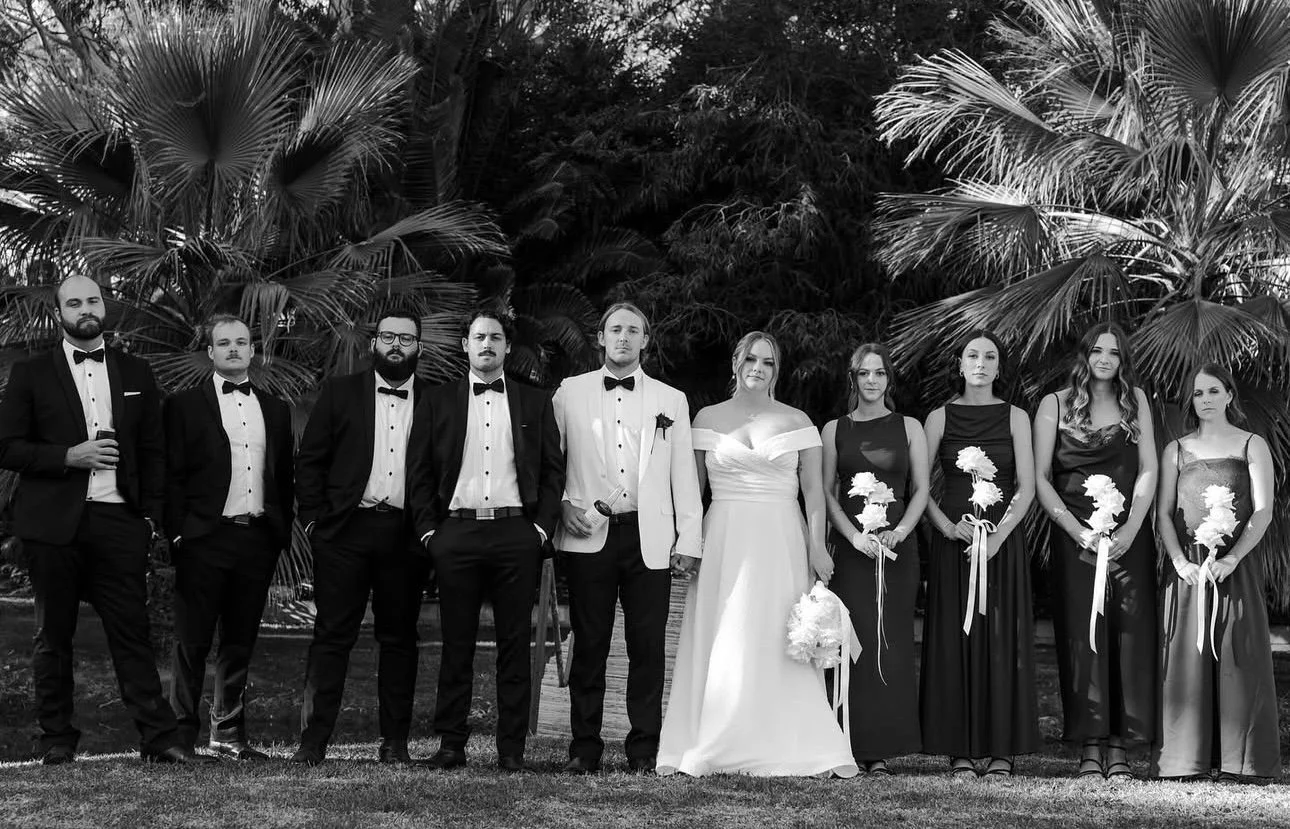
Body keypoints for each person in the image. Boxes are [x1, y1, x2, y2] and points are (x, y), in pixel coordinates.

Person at [0, 274, 214, 765]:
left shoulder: (136, 371)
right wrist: (67, 456)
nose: (85, 309)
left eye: (92, 300)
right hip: (53, 524)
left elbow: (154, 450)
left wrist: (150, 518)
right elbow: (6, 446)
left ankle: (159, 739)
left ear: (104, 306)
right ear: (60, 314)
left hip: (120, 521)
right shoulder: (33, 374)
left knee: (130, 631)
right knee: (52, 635)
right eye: (73, 303)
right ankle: (55, 738)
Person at [657, 331, 858, 778]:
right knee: (722, 632)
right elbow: (692, 493)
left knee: (774, 635)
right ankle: (710, 735)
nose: (758, 369)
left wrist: (817, 549)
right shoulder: (707, 417)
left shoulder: (797, 420)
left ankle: (788, 738)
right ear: (735, 362)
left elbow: (814, 495)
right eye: (751, 359)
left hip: (780, 538)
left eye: (768, 363)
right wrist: (685, 545)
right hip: (724, 538)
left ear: (776, 370)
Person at [407, 309, 563, 772]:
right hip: (456, 532)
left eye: (496, 337)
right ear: (465, 345)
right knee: (456, 641)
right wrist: (430, 533)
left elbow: (554, 471)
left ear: (507, 347)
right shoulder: (436, 401)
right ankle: (451, 743)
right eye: (479, 337)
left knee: (515, 643)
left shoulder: (535, 402)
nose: (488, 345)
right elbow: (419, 472)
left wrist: (539, 529)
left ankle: (511, 749)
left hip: (517, 533)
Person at [553, 301, 703, 774]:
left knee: (647, 647)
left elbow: (685, 476)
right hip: (588, 535)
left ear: (645, 339)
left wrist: (689, 540)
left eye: (632, 330)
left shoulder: (671, 400)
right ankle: (584, 747)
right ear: (600, 337)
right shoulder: (568, 393)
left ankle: (643, 749)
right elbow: (550, 464)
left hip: (650, 538)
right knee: (590, 643)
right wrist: (560, 506)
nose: (623, 337)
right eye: (615, 329)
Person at [291, 310, 429, 765]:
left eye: (405, 339)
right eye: (388, 336)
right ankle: (313, 742)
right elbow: (309, 460)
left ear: (418, 348)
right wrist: (314, 523)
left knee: (400, 640)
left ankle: (394, 743)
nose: (396, 345)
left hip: (406, 536)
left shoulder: (437, 401)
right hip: (345, 532)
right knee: (332, 636)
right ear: (374, 343)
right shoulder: (341, 392)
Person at [163, 314, 295, 760]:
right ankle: (181, 736)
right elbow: (170, 476)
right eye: (225, 343)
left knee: (240, 641)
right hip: (203, 538)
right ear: (211, 353)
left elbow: (284, 478)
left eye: (242, 342)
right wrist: (179, 534)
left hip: (255, 539)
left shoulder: (275, 411)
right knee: (192, 641)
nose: (234, 349)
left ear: (252, 351)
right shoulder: (183, 407)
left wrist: (278, 534)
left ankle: (229, 735)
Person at [1032, 323, 1157, 780]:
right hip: (1075, 540)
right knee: (1082, 635)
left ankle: (1120, 744)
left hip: (1129, 538)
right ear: (1084, 356)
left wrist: (1132, 527)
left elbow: (1148, 469)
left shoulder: (1136, 401)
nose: (1105, 359)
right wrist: (1072, 528)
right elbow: (1042, 477)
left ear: (1123, 360)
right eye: (1097, 351)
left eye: (1114, 352)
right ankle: (1089, 743)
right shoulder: (1054, 404)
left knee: (1128, 633)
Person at [1152, 364, 1279, 781]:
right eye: (1196, 394)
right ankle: (1185, 760)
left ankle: (1240, 762)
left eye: (1211, 392)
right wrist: (1178, 561)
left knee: (1238, 656)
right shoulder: (1176, 450)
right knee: (1186, 659)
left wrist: (1233, 558)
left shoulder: (1251, 444)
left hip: (1234, 566)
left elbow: (1262, 511)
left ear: (1229, 395)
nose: (1203, 400)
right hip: (1188, 569)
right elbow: (1164, 514)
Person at [920, 329, 1037, 778]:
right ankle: (960, 749)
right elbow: (919, 488)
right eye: (973, 355)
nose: (981, 363)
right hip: (955, 544)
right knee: (955, 638)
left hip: (1002, 546)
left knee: (1001, 639)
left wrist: (1000, 537)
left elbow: (1026, 486)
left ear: (998, 367)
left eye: (990, 356)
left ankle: (1002, 749)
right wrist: (948, 528)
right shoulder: (938, 418)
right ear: (960, 363)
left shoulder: (1016, 417)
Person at [821, 343, 929, 775]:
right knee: (850, 642)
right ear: (853, 379)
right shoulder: (834, 429)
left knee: (891, 642)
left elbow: (919, 489)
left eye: (879, 373)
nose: (871, 381)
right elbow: (827, 492)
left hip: (899, 550)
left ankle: (882, 746)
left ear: (889, 379)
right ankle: (844, 741)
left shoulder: (910, 428)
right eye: (863, 374)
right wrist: (851, 537)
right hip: (851, 553)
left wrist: (900, 532)